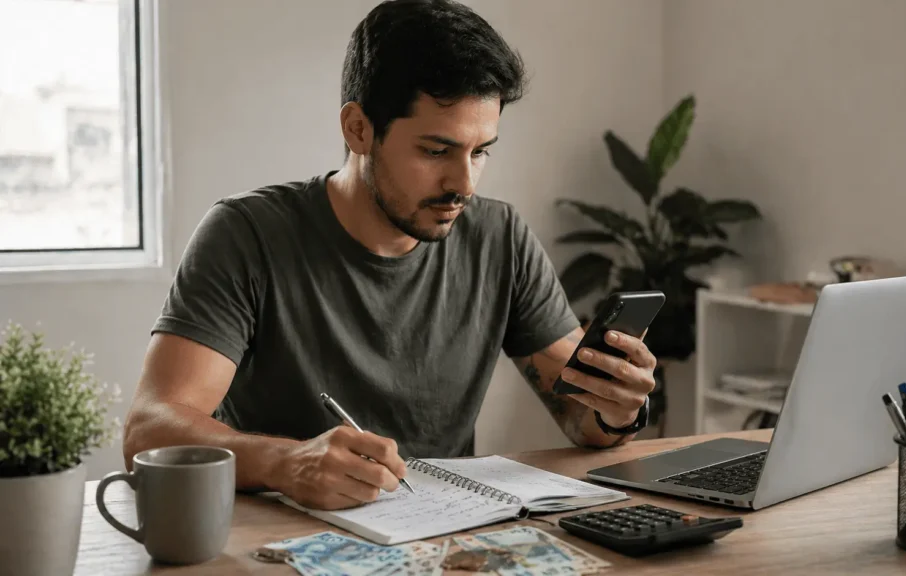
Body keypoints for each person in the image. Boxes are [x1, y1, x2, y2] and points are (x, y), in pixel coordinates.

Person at [121, 0, 656, 511]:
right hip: (280, 541)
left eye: (481, 152)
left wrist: (616, 409)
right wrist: (287, 461)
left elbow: (579, 417)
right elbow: (152, 427)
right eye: (436, 150)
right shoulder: (246, 235)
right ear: (358, 129)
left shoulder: (501, 237)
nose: (463, 184)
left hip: (445, 539)